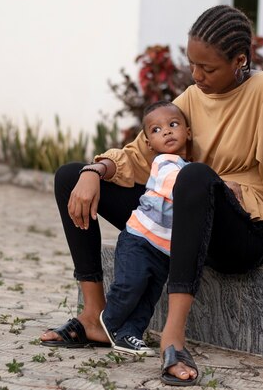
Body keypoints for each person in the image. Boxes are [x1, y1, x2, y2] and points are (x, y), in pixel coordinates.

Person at [40, 5, 263, 386]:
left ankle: (173, 337)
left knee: (194, 176)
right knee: (71, 176)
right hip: (183, 222)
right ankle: (95, 317)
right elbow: (139, 153)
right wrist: (93, 171)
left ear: (239, 61)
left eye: (208, 68)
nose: (196, 76)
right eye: (192, 65)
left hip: (239, 236)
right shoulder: (195, 95)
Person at [98, 101, 191, 357]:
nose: (168, 132)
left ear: (188, 131)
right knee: (131, 284)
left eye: (173, 125)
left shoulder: (187, 166)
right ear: (149, 143)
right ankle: (109, 319)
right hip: (139, 239)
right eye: (157, 130)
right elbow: (177, 185)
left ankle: (130, 334)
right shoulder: (163, 163)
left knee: (149, 298)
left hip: (164, 250)